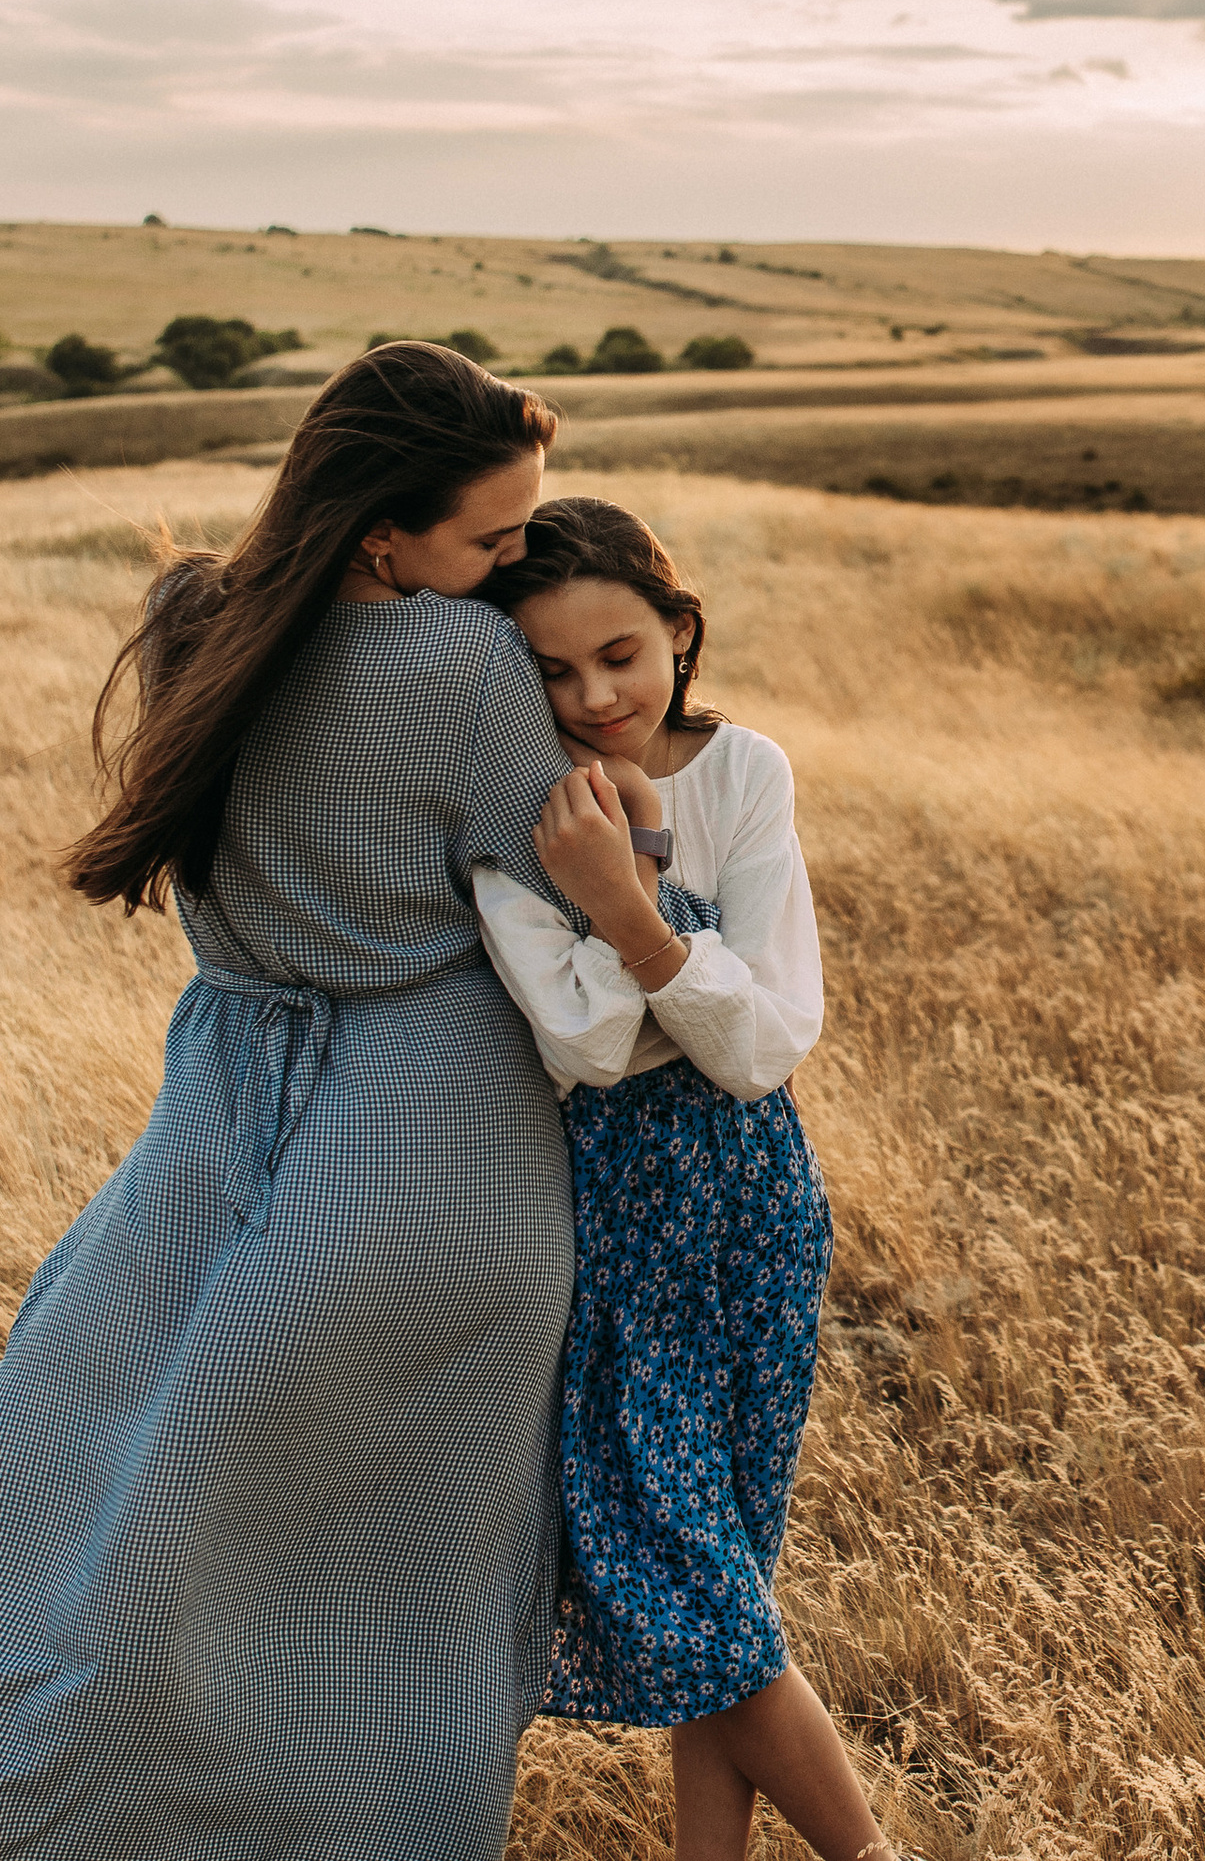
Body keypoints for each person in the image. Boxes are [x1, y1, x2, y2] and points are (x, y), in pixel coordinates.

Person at [0, 344, 660, 1861]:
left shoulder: (196, 621)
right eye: (494, 539)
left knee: (77, 1472)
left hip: (218, 1106)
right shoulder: (458, 660)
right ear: (382, 538)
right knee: (391, 1590)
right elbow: (558, 879)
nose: (516, 567)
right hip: (439, 1145)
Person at [474, 497, 894, 1861]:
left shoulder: (746, 770)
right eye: (554, 670)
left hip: (758, 1213)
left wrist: (626, 902)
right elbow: (590, 1046)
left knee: (727, 1587)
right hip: (617, 1231)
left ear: (678, 633)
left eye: (622, 656)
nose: (596, 698)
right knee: (701, 1593)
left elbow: (764, 1049)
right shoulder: (513, 811)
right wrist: (650, 916)